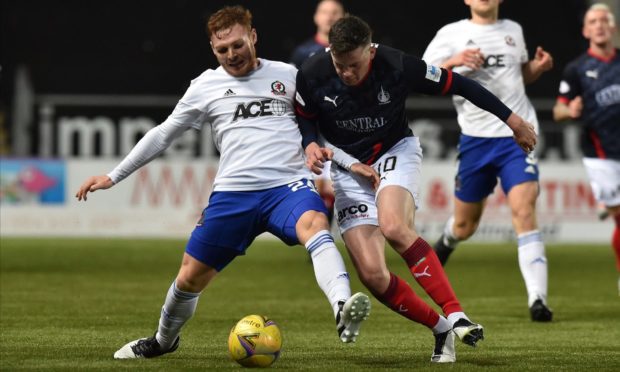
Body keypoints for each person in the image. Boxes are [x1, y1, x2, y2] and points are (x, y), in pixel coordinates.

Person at [75, 6, 371, 359]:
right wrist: (113, 175)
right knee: (189, 278)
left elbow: (323, 126)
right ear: (213, 50)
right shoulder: (205, 86)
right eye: (222, 49)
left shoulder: (289, 75)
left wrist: (351, 164)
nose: (231, 55)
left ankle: (342, 308)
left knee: (316, 225)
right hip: (234, 194)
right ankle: (163, 341)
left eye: (237, 44)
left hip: (287, 186)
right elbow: (164, 133)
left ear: (253, 36)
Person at [295, 15, 537, 363]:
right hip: (349, 168)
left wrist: (513, 120)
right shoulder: (313, 71)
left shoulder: (397, 65)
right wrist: (309, 145)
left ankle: (456, 313)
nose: (346, 73)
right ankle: (440, 330)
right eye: (340, 64)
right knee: (373, 276)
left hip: (394, 152)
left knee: (393, 226)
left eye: (354, 64)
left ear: (370, 50)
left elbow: (461, 85)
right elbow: (305, 116)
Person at [422, 0, 554, 322]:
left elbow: (518, 79)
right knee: (466, 225)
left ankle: (538, 300)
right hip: (475, 139)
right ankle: (449, 238)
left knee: (524, 210)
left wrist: (535, 69)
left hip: (515, 135)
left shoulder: (513, 31)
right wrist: (453, 61)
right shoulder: (451, 34)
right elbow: (422, 78)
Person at [553, 3, 620, 295]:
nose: (600, 25)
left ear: (614, 26)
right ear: (586, 30)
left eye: (605, 19)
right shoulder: (577, 69)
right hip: (601, 154)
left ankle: (606, 205)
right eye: (594, 20)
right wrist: (571, 111)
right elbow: (558, 111)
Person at [290, 0, 346, 227]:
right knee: (316, 186)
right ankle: (319, 234)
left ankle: (326, 234)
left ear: (343, 17)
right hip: (311, 127)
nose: (329, 17)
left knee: (333, 186)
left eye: (335, 12)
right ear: (316, 17)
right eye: (325, 12)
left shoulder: (350, 52)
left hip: (341, 128)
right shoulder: (302, 53)